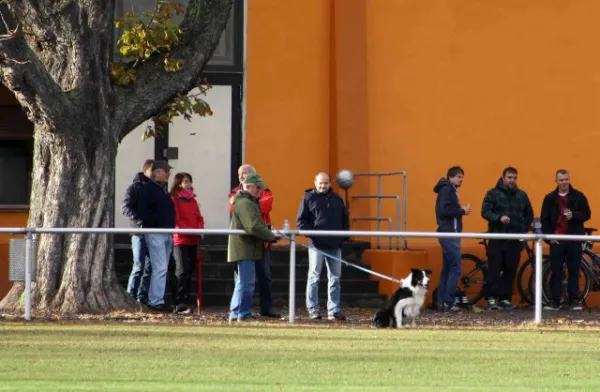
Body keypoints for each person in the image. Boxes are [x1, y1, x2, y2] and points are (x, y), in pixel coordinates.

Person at [296, 172, 350, 321]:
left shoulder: (337, 199)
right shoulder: (308, 198)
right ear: (315, 182)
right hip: (316, 245)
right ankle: (313, 309)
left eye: (325, 183)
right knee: (314, 277)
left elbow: (345, 219)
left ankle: (334, 310)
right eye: (320, 183)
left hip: (335, 244)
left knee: (335, 278)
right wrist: (314, 236)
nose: (323, 186)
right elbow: (301, 223)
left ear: (330, 183)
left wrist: (343, 236)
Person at [228, 164, 278, 318]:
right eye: (258, 189)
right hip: (245, 248)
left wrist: (268, 229)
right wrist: (271, 236)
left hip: (247, 247)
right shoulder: (245, 203)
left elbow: (258, 220)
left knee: (242, 283)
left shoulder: (246, 201)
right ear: (250, 187)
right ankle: (242, 314)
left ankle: (236, 314)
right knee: (246, 283)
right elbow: (253, 226)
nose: (260, 191)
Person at [481, 167, 533, 310]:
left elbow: (529, 214)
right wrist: (498, 218)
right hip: (497, 237)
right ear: (503, 178)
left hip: (514, 239)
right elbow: (485, 211)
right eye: (509, 177)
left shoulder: (522, 195)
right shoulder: (492, 194)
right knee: (494, 269)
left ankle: (505, 299)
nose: (512, 180)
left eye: (515, 177)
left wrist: (523, 230)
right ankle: (491, 299)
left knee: (510, 269)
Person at [541, 169, 591, 311]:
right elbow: (544, 219)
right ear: (556, 181)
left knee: (574, 270)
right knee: (556, 271)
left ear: (569, 179)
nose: (564, 182)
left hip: (574, 239)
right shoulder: (550, 198)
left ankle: (574, 300)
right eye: (561, 180)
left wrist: (574, 215)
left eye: (566, 179)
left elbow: (587, 214)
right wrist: (549, 239)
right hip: (556, 239)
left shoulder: (579, 196)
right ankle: (555, 301)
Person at [137, 160, 175, 312]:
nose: (168, 174)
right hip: (156, 232)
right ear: (157, 172)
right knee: (159, 268)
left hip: (165, 232)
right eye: (165, 171)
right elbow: (143, 211)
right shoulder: (148, 189)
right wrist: (158, 222)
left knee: (162, 267)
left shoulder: (160, 189)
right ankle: (155, 301)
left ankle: (156, 299)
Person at [433, 166, 471, 312]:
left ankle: (442, 302)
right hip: (450, 234)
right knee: (456, 268)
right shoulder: (448, 190)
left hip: (448, 232)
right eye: (459, 177)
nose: (461, 179)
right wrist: (463, 211)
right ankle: (448, 302)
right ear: (451, 177)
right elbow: (445, 211)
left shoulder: (447, 189)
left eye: (462, 177)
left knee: (447, 269)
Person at [170, 172, 205, 313]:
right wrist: (191, 230)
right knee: (182, 270)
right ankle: (179, 301)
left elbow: (199, 217)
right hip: (180, 239)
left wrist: (200, 230)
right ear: (178, 184)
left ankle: (185, 300)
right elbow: (177, 220)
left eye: (189, 181)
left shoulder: (193, 200)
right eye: (185, 182)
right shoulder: (174, 199)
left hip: (193, 239)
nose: (188, 184)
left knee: (189, 270)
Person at [121, 159, 154, 305]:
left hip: (153, 232)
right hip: (139, 232)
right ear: (146, 170)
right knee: (139, 265)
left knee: (149, 266)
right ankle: (131, 296)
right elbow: (126, 207)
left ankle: (142, 297)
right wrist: (139, 220)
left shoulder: (156, 188)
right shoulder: (134, 188)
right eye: (153, 171)